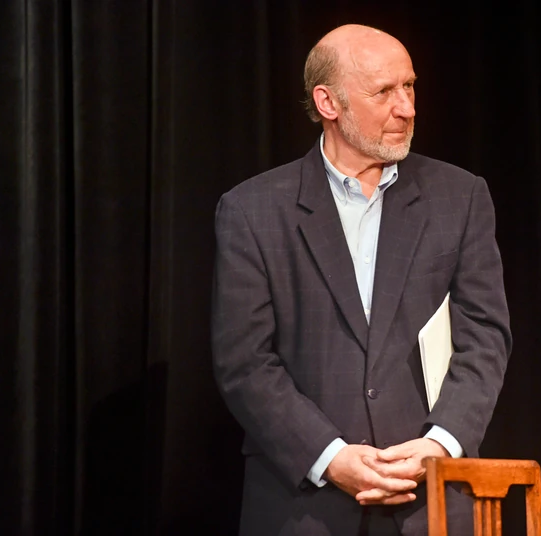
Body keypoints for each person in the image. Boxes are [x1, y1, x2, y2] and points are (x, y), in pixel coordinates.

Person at [211, 24, 512, 536]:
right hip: (304, 508)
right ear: (328, 102)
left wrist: (439, 444)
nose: (407, 108)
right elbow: (245, 361)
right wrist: (330, 457)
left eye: (409, 86)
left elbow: (486, 337)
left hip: (431, 502)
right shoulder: (252, 210)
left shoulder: (460, 196)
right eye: (384, 92)